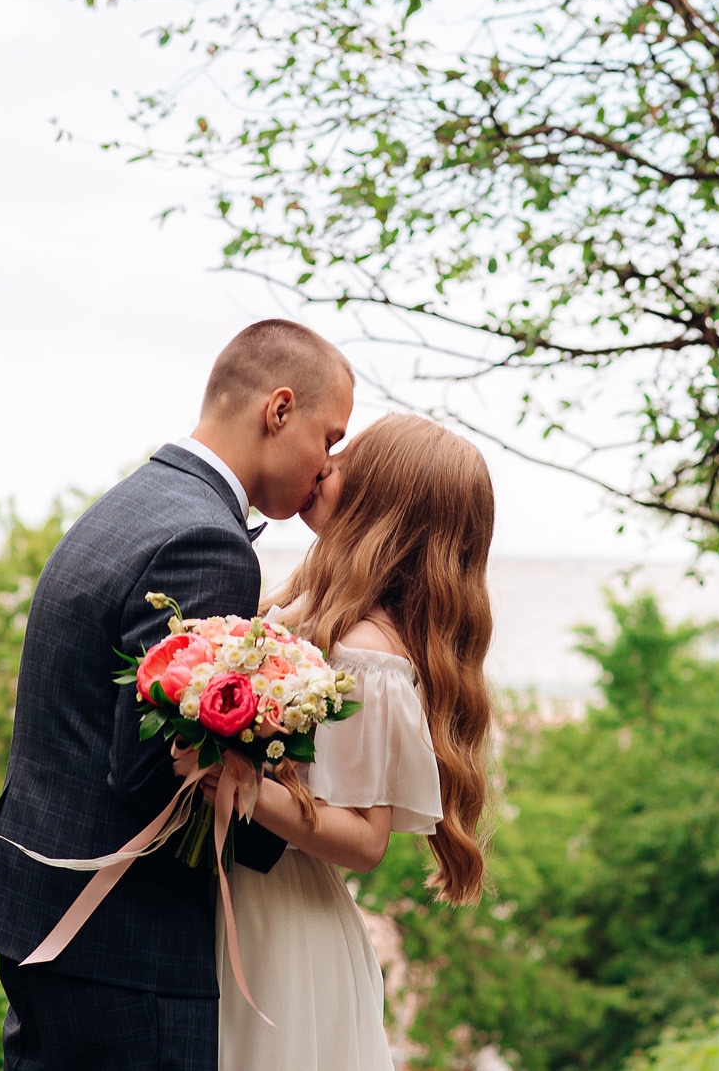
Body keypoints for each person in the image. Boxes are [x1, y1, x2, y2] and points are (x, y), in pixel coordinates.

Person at [0, 318, 354, 1071]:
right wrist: (305, 843)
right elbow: (160, 768)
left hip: (55, 921)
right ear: (279, 410)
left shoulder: (137, 500)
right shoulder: (207, 542)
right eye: (330, 436)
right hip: (127, 944)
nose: (327, 465)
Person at [211, 413, 495, 1070]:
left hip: (279, 924)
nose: (322, 463)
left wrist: (235, 779)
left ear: (384, 505)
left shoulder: (368, 655)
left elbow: (365, 839)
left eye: (346, 461)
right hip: (244, 898)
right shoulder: (315, 602)